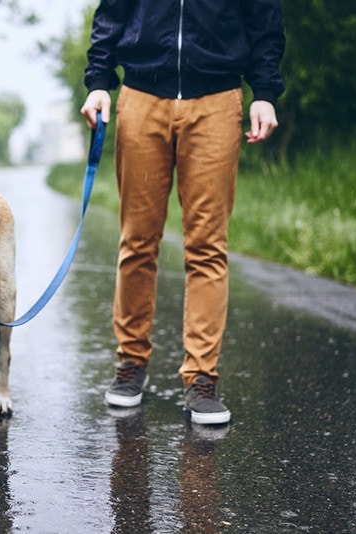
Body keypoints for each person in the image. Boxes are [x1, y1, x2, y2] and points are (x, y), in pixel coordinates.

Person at [80, 0, 285, 424]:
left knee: (208, 246)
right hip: (140, 98)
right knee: (137, 241)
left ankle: (202, 378)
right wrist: (99, 80)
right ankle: (130, 365)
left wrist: (264, 91)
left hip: (216, 99)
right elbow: (111, 15)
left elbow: (264, 19)